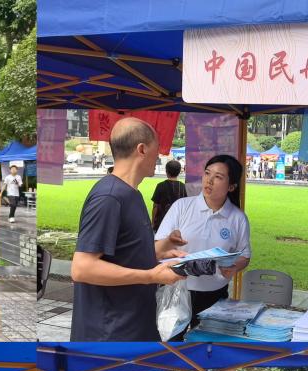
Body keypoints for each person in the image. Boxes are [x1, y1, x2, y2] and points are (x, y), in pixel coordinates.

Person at [70, 118, 187, 341]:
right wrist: (150, 276)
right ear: (142, 149)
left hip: (136, 325)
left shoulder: (132, 194)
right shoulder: (109, 197)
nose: (160, 156)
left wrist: (160, 250)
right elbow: (82, 267)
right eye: (158, 148)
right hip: (110, 336)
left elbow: (123, 252)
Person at [155, 154, 252, 322]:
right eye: (207, 173)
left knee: (208, 338)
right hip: (176, 291)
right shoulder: (182, 206)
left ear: (231, 186)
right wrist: (169, 240)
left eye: (218, 177)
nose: (209, 180)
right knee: (172, 338)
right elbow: (157, 249)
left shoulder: (238, 218)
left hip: (215, 297)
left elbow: (244, 255)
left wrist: (234, 267)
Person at [151, 160, 188, 231]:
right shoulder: (184, 187)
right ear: (179, 172)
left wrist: (153, 222)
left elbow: (155, 206)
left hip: (161, 224)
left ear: (166, 171)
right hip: (177, 224)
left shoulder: (160, 186)